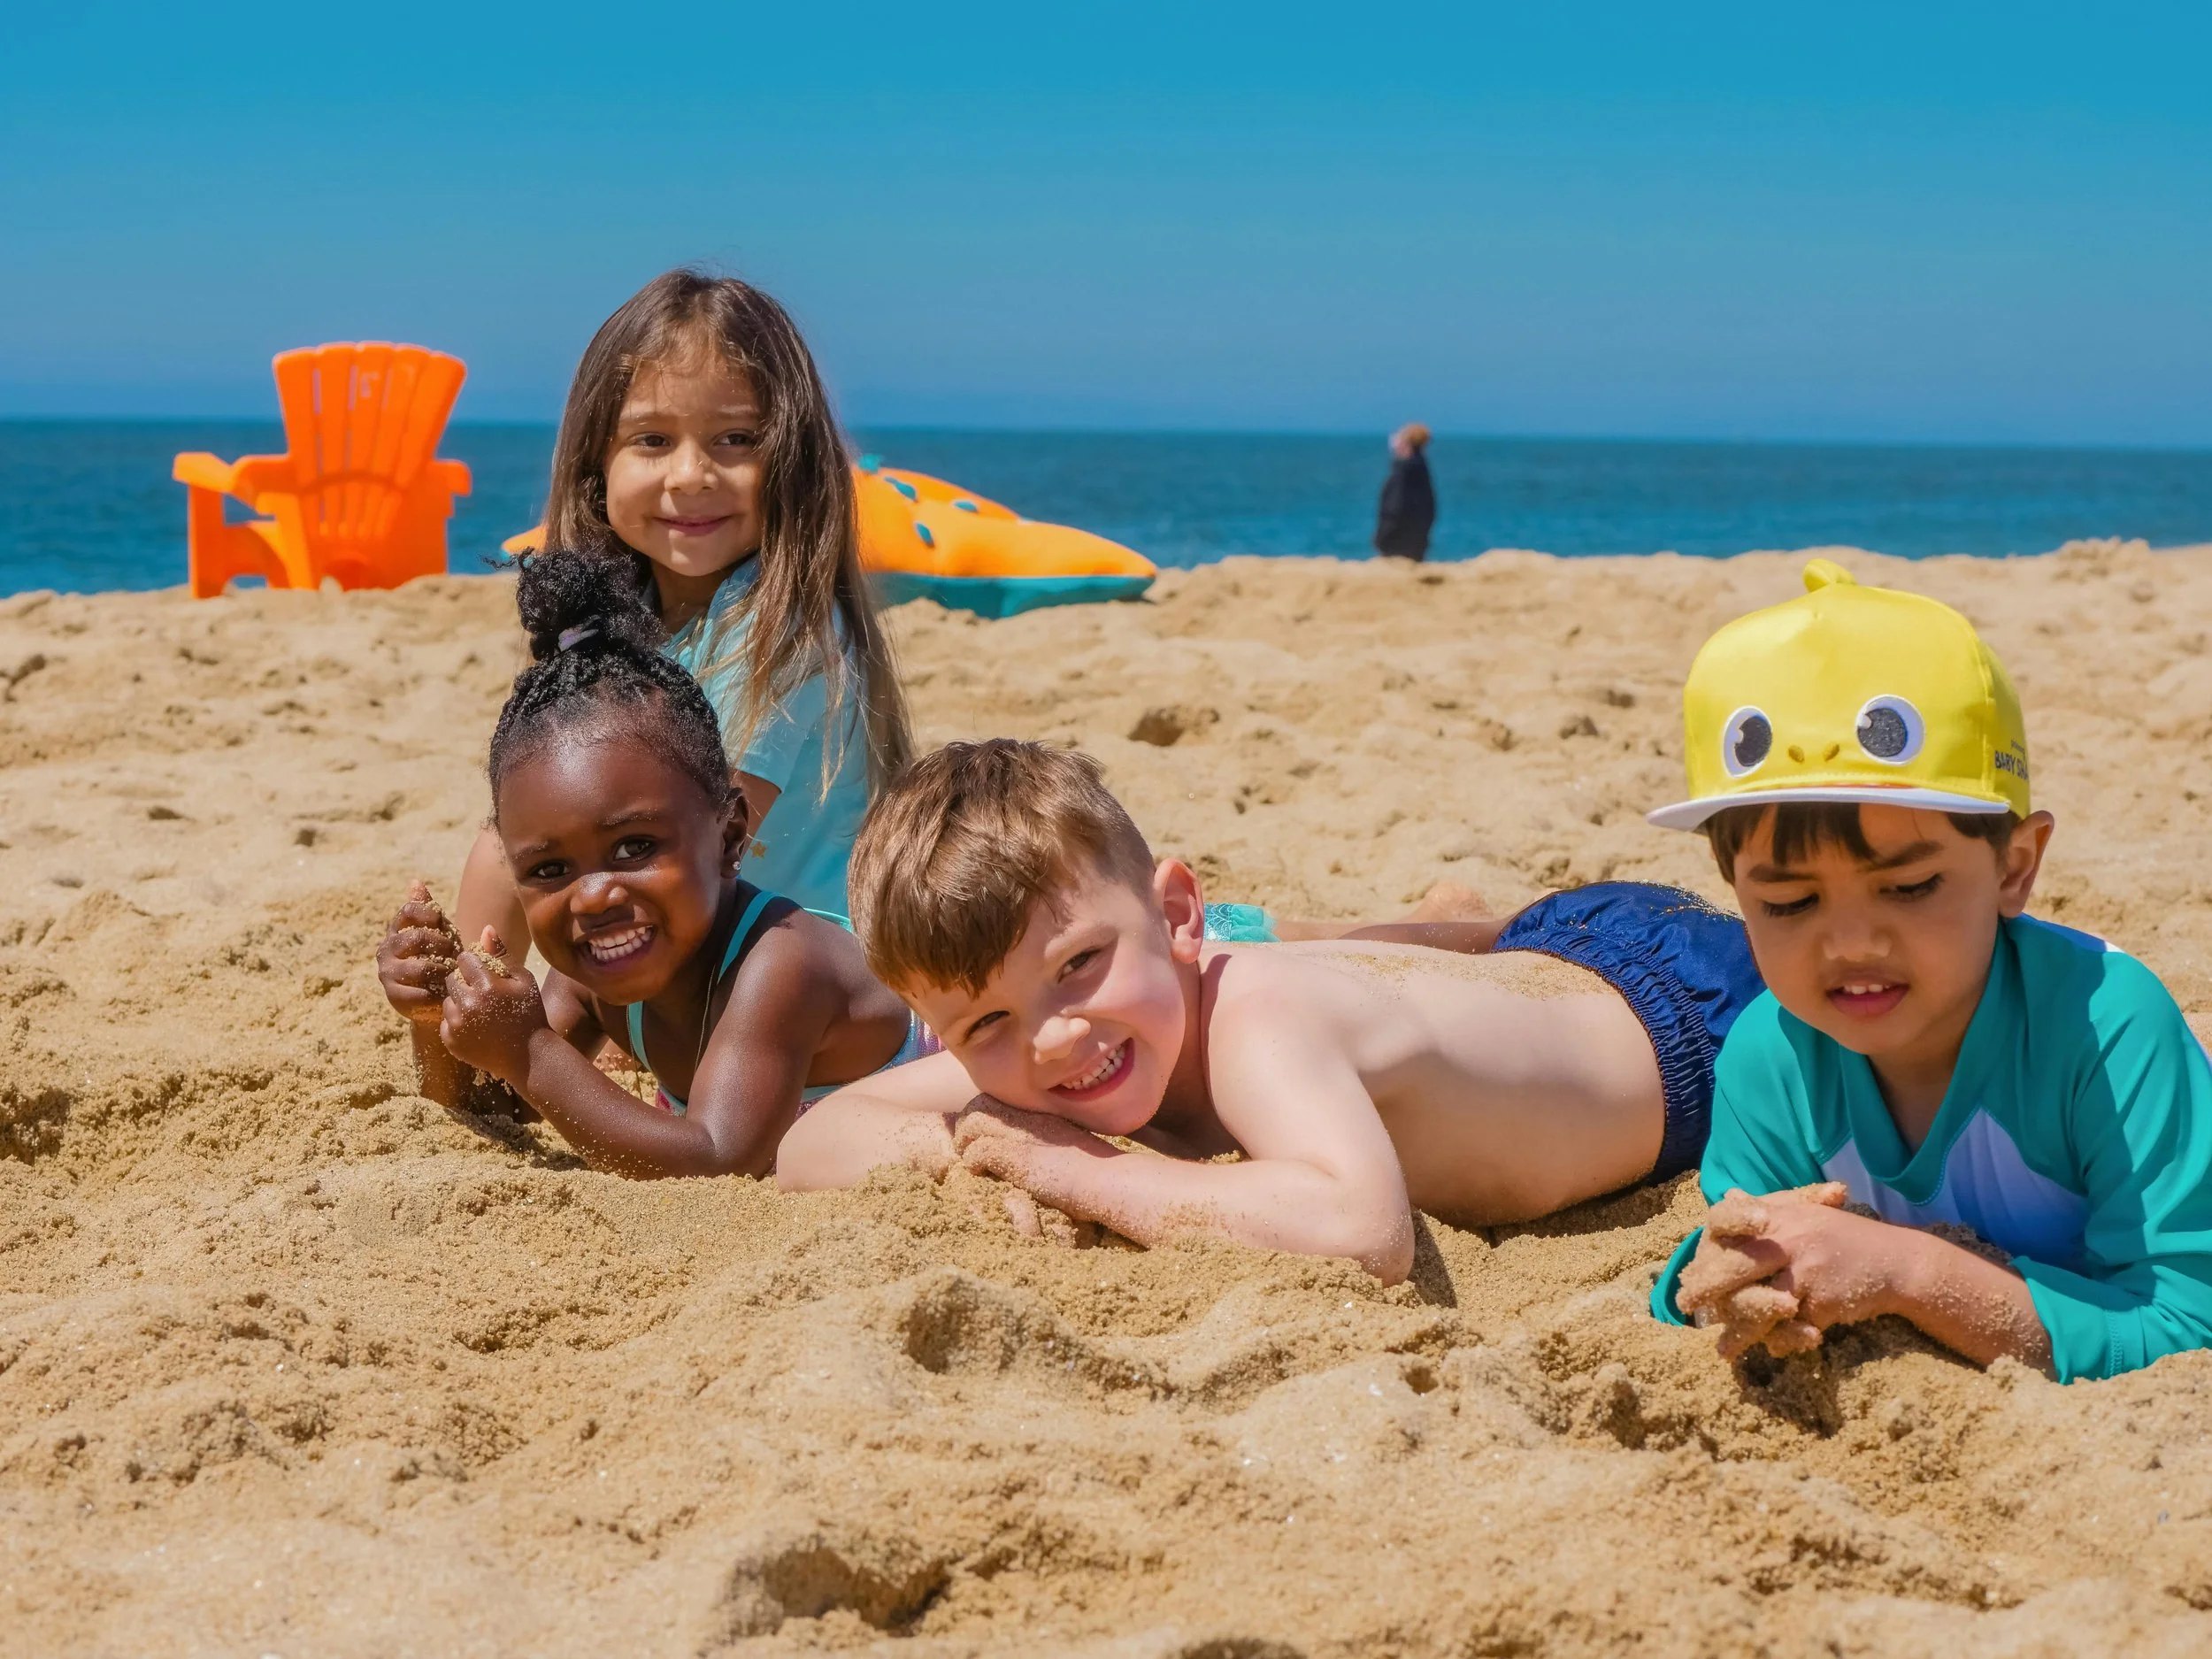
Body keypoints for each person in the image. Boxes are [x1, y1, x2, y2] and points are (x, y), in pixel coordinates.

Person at [776, 740, 1764, 1284]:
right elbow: (816, 1140)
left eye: (1080, 963)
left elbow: (1362, 1232)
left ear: (1174, 916)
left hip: (1690, 1011)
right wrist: (976, 1144)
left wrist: (1062, 1168)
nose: (1054, 1035)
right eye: (984, 1025)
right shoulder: (1049, 1054)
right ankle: (1440, 935)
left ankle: (1452, 932)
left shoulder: (1256, 1014)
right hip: (1543, 970)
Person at [1646, 560, 2212, 1381]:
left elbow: (2189, 1321)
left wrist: (1913, 1273)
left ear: (2016, 865)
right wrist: (1714, 1287)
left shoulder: (2106, 1026)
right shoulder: (1772, 1054)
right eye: (1789, 902)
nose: (1849, 943)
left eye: (1909, 886)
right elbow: (1715, 1263)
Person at [375, 552, 933, 1179]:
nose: (592, 897)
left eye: (634, 847)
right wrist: (433, 1018)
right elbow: (493, 1105)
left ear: (729, 836)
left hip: (947, 1086)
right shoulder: (593, 973)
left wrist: (530, 1049)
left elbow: (719, 1158)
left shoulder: (781, 963)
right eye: (550, 869)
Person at [455, 268, 911, 950]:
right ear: (596, 464)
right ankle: (472, 1016)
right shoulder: (623, 613)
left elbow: (697, 851)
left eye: (736, 439)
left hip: (803, 965)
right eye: (653, 440)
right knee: (512, 835)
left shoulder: (777, 627)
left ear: (794, 462)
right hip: (693, 940)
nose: (693, 474)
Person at [1372, 423, 1436, 562]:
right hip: (1416, 540)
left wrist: (1382, 537)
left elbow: (1395, 506)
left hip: (1398, 542)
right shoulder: (1420, 467)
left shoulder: (1405, 470)